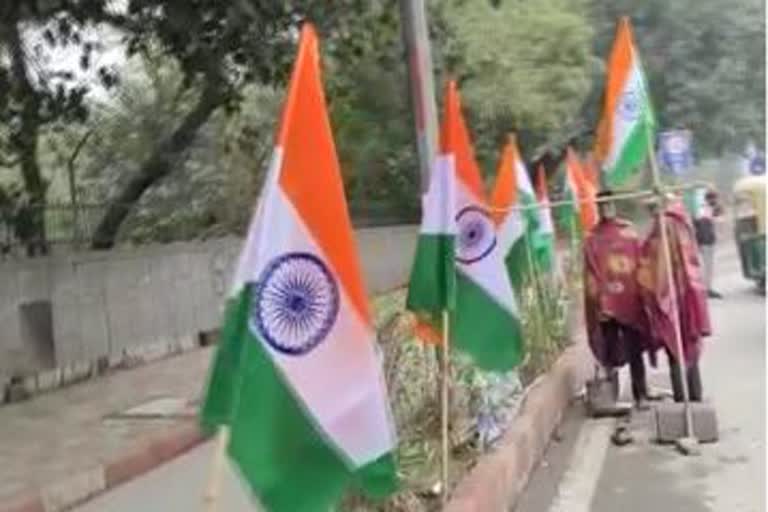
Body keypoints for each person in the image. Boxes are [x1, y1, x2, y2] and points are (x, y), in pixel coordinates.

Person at [638, 196, 711, 402]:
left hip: (672, 296)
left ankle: (683, 399)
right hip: (689, 294)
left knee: (676, 349)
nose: (651, 212)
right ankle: (695, 396)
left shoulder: (665, 226)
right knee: (688, 346)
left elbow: (657, 264)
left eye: (652, 207)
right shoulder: (682, 222)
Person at [583, 190, 651, 410]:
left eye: (609, 205)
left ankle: (641, 394)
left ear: (614, 206)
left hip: (630, 302)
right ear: (598, 208)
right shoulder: (592, 239)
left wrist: (643, 293)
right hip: (606, 306)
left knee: (634, 351)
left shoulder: (629, 233)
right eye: (602, 206)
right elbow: (590, 274)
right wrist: (598, 301)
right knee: (609, 352)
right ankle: (609, 400)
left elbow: (640, 264)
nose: (606, 209)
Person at [692, 188, 724, 298]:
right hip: (706, 241)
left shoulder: (701, 209)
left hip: (703, 241)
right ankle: (707, 289)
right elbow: (708, 224)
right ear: (711, 198)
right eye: (714, 198)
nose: (716, 201)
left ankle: (706, 288)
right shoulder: (705, 209)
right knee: (707, 266)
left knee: (706, 266)